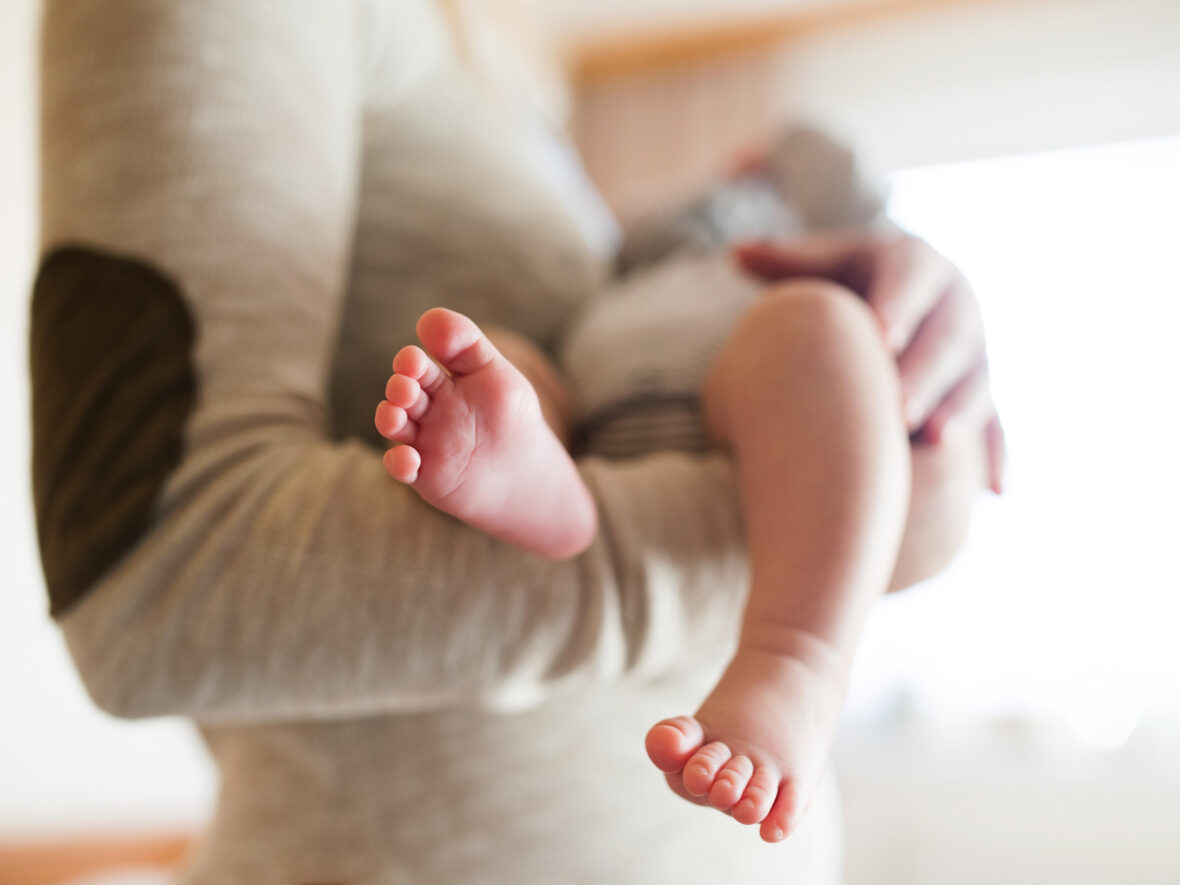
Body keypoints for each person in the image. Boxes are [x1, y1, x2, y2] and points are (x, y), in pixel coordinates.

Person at [31, 0, 999, 881]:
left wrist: (902, 305)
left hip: (660, 370)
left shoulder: (496, 59)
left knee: (546, 367)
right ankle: (767, 643)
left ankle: (549, 482)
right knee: (512, 369)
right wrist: (867, 509)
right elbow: (149, 588)